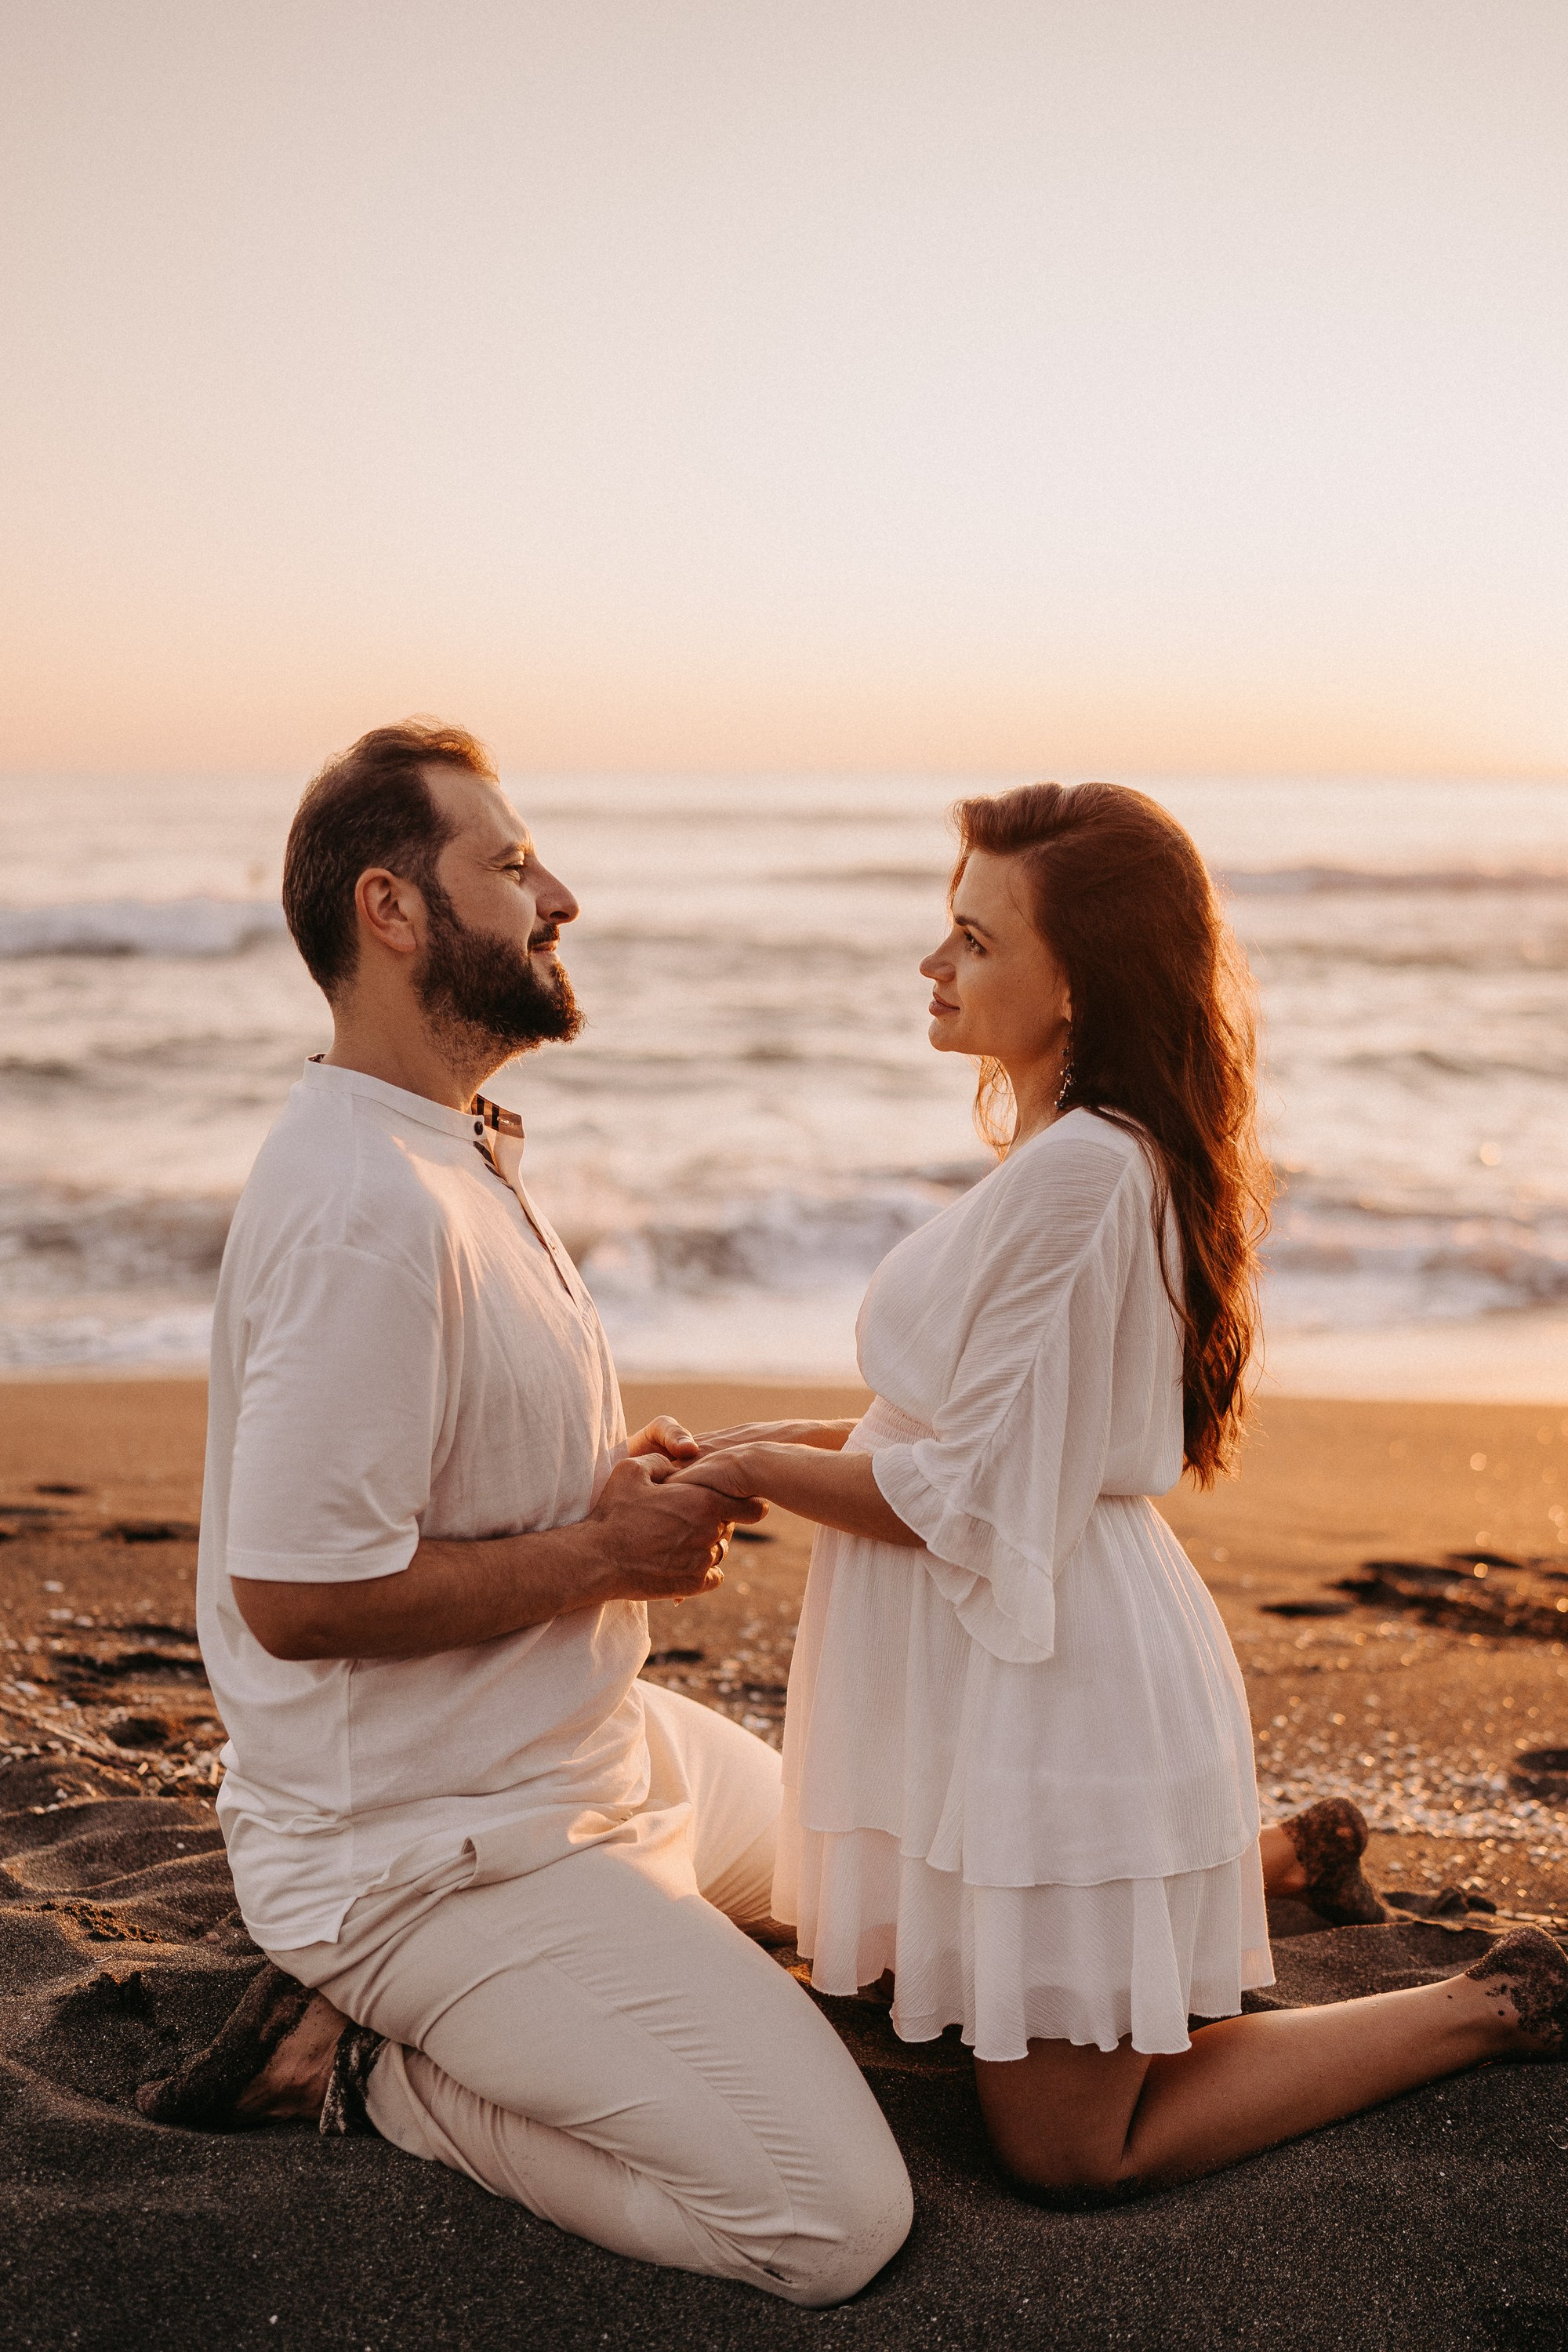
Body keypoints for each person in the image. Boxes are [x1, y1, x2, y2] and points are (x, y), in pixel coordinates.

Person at [675, 780, 1568, 2201]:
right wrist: (766, 1439)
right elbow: (967, 1428)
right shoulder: (1069, 1153)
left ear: (1079, 979)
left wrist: (743, 1472)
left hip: (1057, 1686)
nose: (933, 963)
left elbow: (956, 1496)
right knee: (943, 1980)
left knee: (1071, 2150)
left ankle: (1494, 2002)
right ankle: (1281, 1860)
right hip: (1007, 1667)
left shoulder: (1086, 1172)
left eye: (972, 938)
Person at [136, 721, 913, 2307]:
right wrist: (607, 1554)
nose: (559, 895)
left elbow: (448, 1472)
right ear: (392, 911)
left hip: (592, 1750)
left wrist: (605, 1489)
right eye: (507, 865)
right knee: (829, 2224)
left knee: (905, 1915)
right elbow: (295, 1595)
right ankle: (358, 2073)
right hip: (429, 1852)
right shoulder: (365, 1204)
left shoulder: (452, 1151)